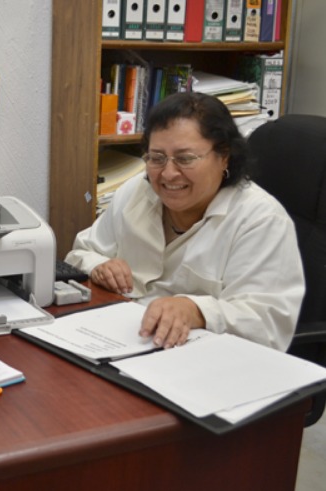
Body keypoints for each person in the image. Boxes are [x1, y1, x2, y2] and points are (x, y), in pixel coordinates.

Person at [66, 92, 304, 352]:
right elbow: (80, 253)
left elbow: (267, 324)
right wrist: (100, 265)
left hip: (205, 362)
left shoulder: (260, 220)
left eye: (185, 159)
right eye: (156, 158)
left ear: (224, 156)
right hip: (121, 341)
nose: (168, 173)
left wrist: (196, 310)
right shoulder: (136, 192)